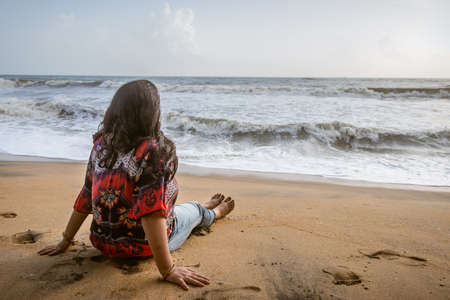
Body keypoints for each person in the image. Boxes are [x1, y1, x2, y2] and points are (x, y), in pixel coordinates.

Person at [38, 80, 235, 291]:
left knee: (167, 204)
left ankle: (198, 210)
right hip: (140, 247)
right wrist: (167, 270)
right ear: (151, 113)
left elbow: (86, 194)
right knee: (192, 211)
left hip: (103, 242)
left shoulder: (101, 145)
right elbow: (150, 214)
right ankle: (212, 213)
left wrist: (65, 240)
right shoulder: (151, 151)